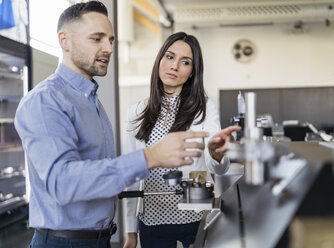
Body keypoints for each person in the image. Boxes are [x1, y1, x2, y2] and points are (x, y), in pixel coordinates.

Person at [14, 2, 208, 248]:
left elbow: (103, 177)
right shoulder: (45, 100)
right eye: (97, 39)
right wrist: (149, 157)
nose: (108, 48)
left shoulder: (91, 101)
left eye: (111, 40)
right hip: (63, 242)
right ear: (65, 41)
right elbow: (63, 184)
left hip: (100, 239)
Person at [123, 32, 241, 248]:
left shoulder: (204, 107)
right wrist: (130, 231)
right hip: (152, 219)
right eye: (169, 57)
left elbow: (217, 164)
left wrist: (216, 151)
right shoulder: (137, 111)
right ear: (159, 60)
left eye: (185, 62)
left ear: (192, 72)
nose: (174, 66)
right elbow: (132, 172)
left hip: (194, 216)